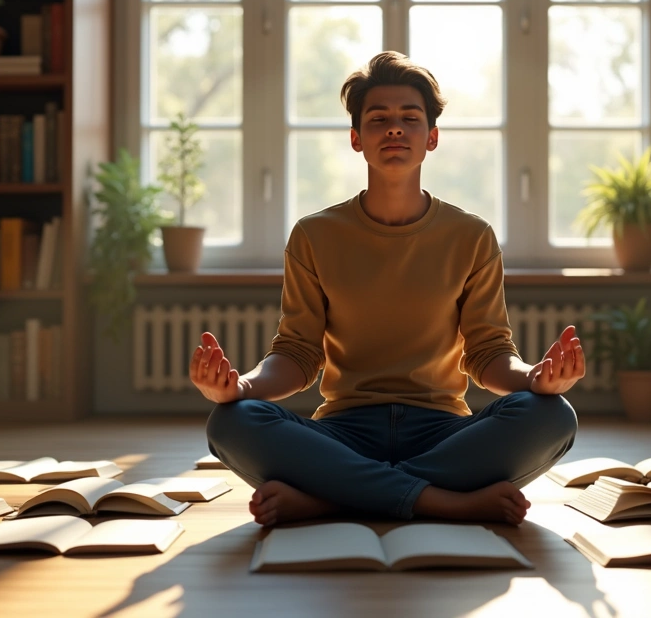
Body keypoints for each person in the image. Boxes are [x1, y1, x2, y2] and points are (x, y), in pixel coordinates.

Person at [191, 51, 583, 527]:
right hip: (343, 430)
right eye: (378, 119)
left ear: (431, 137)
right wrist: (242, 387)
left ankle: (332, 497)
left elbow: (488, 353)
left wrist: (535, 380)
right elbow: (297, 354)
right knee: (232, 421)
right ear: (357, 139)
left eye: (409, 118)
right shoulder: (314, 236)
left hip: (443, 432)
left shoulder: (471, 236)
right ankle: (440, 500)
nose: (394, 128)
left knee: (552, 415)